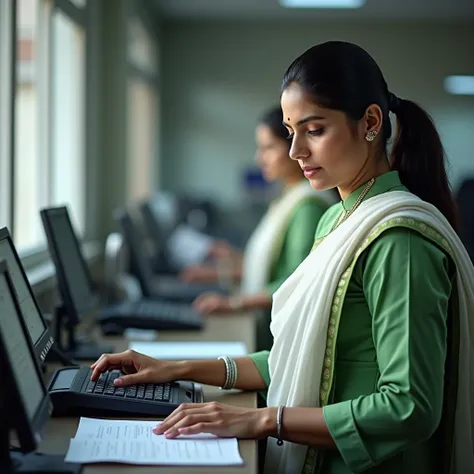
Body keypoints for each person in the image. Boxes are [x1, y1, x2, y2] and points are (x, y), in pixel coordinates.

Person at [90, 41, 474, 474]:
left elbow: (409, 407)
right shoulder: (337, 218)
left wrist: (260, 419)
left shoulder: (398, 241)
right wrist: (174, 368)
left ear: (370, 122)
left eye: (314, 130)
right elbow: (296, 356)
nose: (296, 152)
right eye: (291, 132)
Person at [181, 106, 335, 320]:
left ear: (296, 148)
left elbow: (296, 281)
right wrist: (225, 266)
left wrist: (233, 303)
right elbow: (272, 265)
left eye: (268, 148)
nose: (259, 158)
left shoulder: (308, 207)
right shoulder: (288, 197)